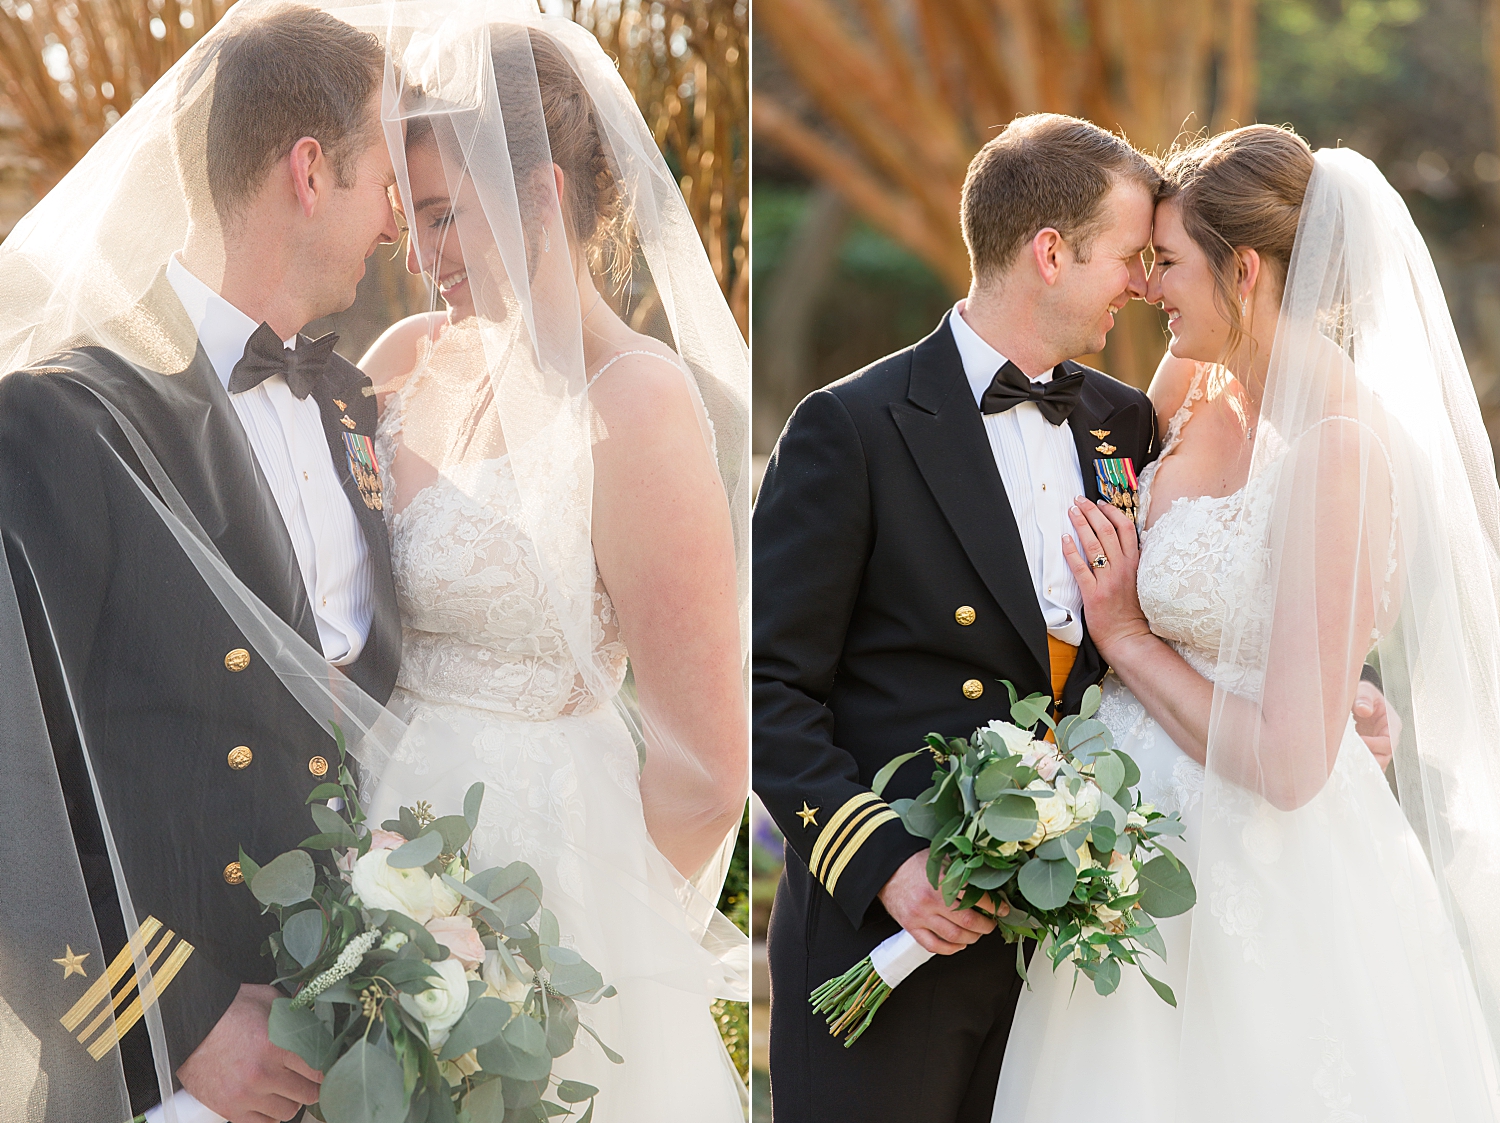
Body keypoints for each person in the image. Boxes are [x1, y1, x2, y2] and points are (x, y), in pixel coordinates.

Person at [753, 113, 1398, 1123]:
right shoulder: (852, 427)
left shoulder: (1125, 420)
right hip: (899, 924)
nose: (1143, 285)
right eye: (1132, 258)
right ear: (1052, 253)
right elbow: (763, 686)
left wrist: (1319, 688)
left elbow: (1175, 609)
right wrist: (887, 867)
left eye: (1161, 261)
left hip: (1079, 934)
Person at [993, 126, 1500, 1120]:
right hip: (1130, 845)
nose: (1147, 288)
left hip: (1267, 869)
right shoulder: (1193, 385)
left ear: (1248, 269)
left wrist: (1130, 636)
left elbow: (1288, 761)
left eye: (1167, 263)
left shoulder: (1342, 450)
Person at [0, 5, 403, 1121]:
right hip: (165, 1075)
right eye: (383, 182)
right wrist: (175, 1021)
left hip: (353, 1046)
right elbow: (10, 788)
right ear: (310, 172)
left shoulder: (354, 405)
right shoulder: (62, 418)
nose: (398, 226)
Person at [355, 14, 751, 1120]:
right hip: (368, 867)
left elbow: (707, 767)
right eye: (409, 216)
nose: (420, 252)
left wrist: (540, 953)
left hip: (535, 918)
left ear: (542, 199)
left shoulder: (638, 405)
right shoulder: (399, 365)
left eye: (443, 215)